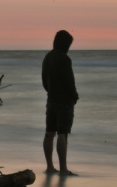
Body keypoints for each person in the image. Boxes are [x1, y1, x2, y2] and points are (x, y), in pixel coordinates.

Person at [42, 30, 79, 176]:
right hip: (64, 101)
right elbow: (69, 81)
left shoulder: (48, 57)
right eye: (69, 44)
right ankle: (63, 168)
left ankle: (50, 167)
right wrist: (74, 96)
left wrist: (50, 91)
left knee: (49, 133)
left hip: (51, 99)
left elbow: (44, 80)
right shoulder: (64, 59)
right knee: (63, 133)